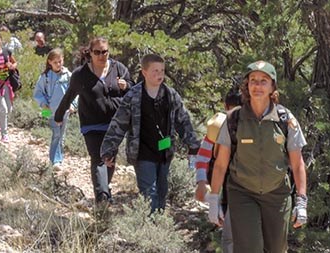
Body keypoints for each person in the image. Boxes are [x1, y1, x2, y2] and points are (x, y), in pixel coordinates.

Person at [207, 60, 308, 253]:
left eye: (264, 81)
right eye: (253, 80)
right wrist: (213, 199)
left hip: (277, 194)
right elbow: (220, 164)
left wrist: (301, 201)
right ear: (247, 85)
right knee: (248, 248)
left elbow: (297, 165)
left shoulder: (286, 120)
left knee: (277, 248)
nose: (257, 85)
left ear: (272, 86)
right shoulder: (234, 119)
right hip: (242, 192)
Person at [100, 54, 200, 213]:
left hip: (164, 152)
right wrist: (109, 149)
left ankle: (157, 224)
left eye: (162, 70)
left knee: (162, 191)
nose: (159, 74)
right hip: (142, 153)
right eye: (155, 71)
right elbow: (119, 123)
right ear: (144, 72)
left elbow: (183, 121)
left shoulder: (170, 94)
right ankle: (150, 226)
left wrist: (193, 145)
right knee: (149, 193)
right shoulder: (133, 96)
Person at [54, 37, 134, 204]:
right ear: (90, 53)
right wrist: (59, 115)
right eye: (97, 52)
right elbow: (69, 95)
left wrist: (126, 86)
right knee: (98, 158)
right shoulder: (80, 75)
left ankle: (105, 189)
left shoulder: (119, 68)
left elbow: (133, 89)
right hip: (92, 124)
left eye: (104, 52)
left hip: (115, 123)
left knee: (110, 159)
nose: (101, 55)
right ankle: (102, 198)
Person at [194, 86, 242, 253]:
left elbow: (202, 157)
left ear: (225, 105)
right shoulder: (218, 126)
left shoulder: (218, 125)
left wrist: (202, 183)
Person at [33, 48, 76, 168]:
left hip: (65, 111)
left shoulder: (68, 75)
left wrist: (73, 105)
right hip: (49, 110)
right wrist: (43, 104)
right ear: (50, 62)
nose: (58, 64)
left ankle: (58, 159)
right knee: (56, 133)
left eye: (60, 61)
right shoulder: (45, 77)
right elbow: (38, 93)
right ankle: (55, 161)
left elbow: (75, 92)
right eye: (55, 62)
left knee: (61, 135)